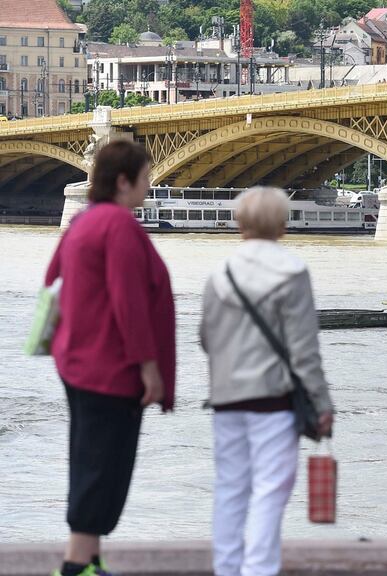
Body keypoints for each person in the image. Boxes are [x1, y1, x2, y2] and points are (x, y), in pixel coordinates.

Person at [44, 139, 176, 576]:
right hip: (111, 367)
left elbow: (52, 284)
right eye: (145, 177)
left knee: (89, 458)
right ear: (123, 181)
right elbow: (129, 302)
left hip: (79, 362)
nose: (149, 184)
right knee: (105, 465)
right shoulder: (119, 227)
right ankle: (76, 565)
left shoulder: (82, 224)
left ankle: (88, 559)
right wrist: (149, 366)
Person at [200, 187, 334, 576]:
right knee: (269, 492)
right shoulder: (292, 272)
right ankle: (258, 570)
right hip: (273, 403)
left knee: (230, 490)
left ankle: (226, 569)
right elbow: (304, 351)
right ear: (283, 224)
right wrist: (322, 405)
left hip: (226, 401)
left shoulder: (219, 274)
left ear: (239, 224)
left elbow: (207, 339)